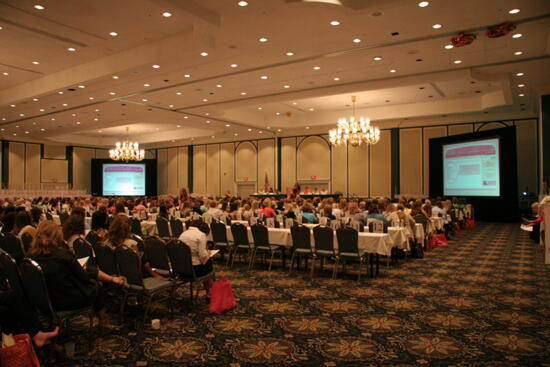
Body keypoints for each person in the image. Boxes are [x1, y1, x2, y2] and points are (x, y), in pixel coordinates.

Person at [29, 221, 114, 329]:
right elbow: (84, 278)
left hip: (43, 301)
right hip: (66, 300)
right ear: (57, 237)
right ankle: (104, 320)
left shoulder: (30, 257)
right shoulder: (64, 256)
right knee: (96, 285)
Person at [178, 220, 214, 297]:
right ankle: (209, 293)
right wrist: (208, 253)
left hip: (181, 269)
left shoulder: (183, 234)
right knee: (209, 264)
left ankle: (209, 292)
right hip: (194, 271)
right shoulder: (201, 235)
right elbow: (203, 256)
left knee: (206, 264)